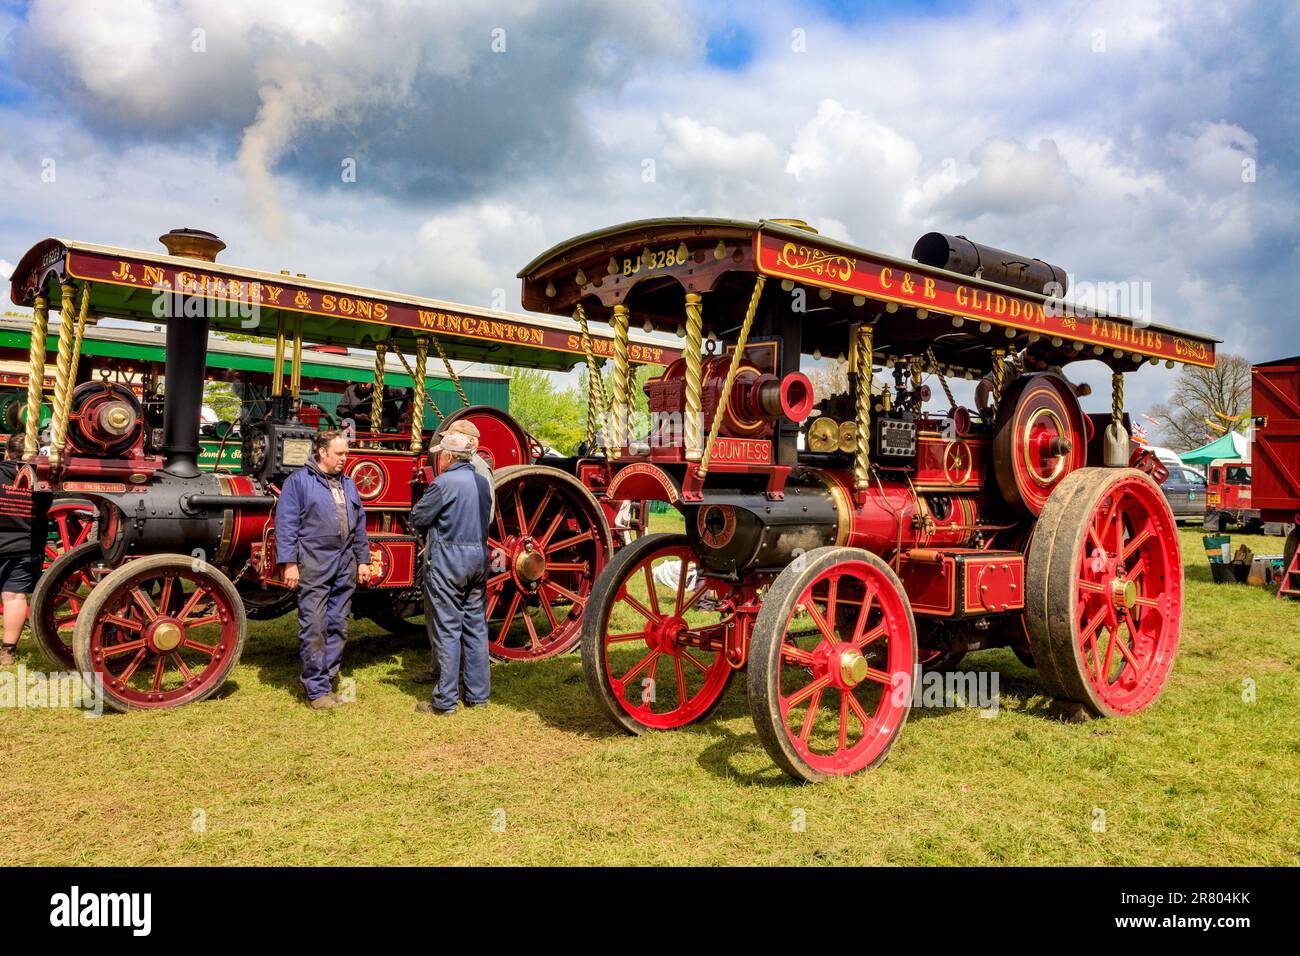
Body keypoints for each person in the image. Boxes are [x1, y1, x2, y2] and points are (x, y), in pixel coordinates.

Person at [275, 429, 372, 709]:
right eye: (339, 453)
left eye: (346, 454)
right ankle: (316, 691)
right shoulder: (298, 482)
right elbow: (287, 525)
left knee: (338, 625)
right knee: (314, 626)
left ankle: (328, 682)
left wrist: (362, 561)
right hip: (314, 563)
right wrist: (290, 564)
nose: (345, 458)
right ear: (322, 452)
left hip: (345, 564)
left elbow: (359, 526)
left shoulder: (349, 484)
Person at [410, 426, 492, 715]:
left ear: (448, 457)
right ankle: (478, 696)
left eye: (441, 454)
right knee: (476, 629)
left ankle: (445, 702)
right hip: (478, 560)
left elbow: (418, 517)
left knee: (447, 630)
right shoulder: (482, 483)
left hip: (448, 560)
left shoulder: (443, 483)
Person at [0, 434, 49, 666]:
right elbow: (44, 510)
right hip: (25, 546)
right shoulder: (42, 480)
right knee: (14, 596)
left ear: (7, 453)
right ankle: (7, 652)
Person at [975, 341, 1092, 414]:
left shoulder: (1052, 369)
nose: (1049, 366)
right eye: (1046, 363)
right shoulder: (1010, 366)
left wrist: (1078, 390)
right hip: (1012, 419)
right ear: (1031, 358)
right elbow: (984, 385)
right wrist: (983, 410)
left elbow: (1065, 387)